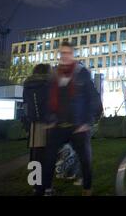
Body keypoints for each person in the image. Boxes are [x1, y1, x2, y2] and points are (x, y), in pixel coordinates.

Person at [42, 41, 102, 196]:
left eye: (68, 53)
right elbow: (48, 99)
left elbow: (93, 99)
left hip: (78, 125)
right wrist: (49, 120)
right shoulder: (54, 74)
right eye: (62, 53)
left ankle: (87, 188)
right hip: (58, 124)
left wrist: (87, 122)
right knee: (48, 158)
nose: (65, 56)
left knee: (85, 159)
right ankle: (47, 189)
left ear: (73, 55)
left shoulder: (82, 73)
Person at [23, 63, 52, 195]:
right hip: (48, 123)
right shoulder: (49, 83)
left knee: (35, 155)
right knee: (47, 156)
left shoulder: (28, 84)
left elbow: (25, 104)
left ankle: (35, 186)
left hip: (33, 123)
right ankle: (46, 187)